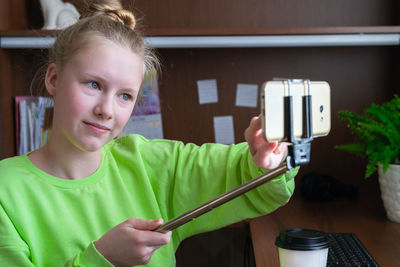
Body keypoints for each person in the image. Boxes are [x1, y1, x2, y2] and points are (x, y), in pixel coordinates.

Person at [0, 0, 298, 266]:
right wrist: (103, 259)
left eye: (125, 96)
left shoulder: (152, 164)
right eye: (93, 84)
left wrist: (265, 159)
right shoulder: (6, 192)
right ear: (53, 79)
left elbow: (250, 179)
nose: (107, 110)